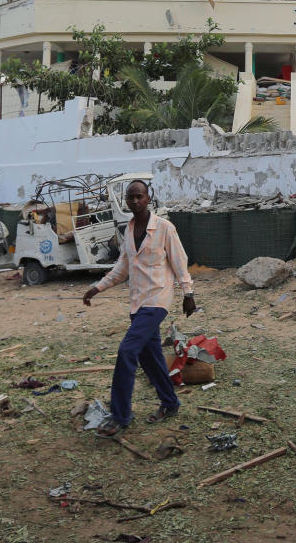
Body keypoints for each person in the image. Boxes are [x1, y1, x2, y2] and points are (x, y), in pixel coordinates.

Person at [82, 180, 196, 438]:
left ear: (148, 198)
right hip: (137, 303)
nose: (134, 201)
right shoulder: (128, 229)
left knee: (126, 351)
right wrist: (98, 288)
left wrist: (188, 293)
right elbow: (123, 268)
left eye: (139, 196)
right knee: (151, 358)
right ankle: (170, 403)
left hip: (157, 301)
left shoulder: (165, 228)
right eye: (130, 197)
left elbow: (180, 262)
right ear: (126, 201)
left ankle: (120, 416)